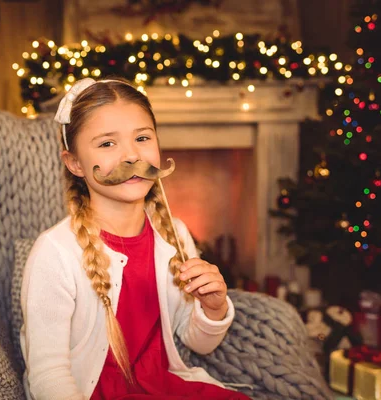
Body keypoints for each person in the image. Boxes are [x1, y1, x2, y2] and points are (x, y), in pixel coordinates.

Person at [20, 77, 251, 400]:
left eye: (142, 138)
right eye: (106, 144)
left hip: (160, 386)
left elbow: (197, 342)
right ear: (74, 163)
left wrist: (212, 308)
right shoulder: (55, 252)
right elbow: (48, 374)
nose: (131, 156)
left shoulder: (175, 234)